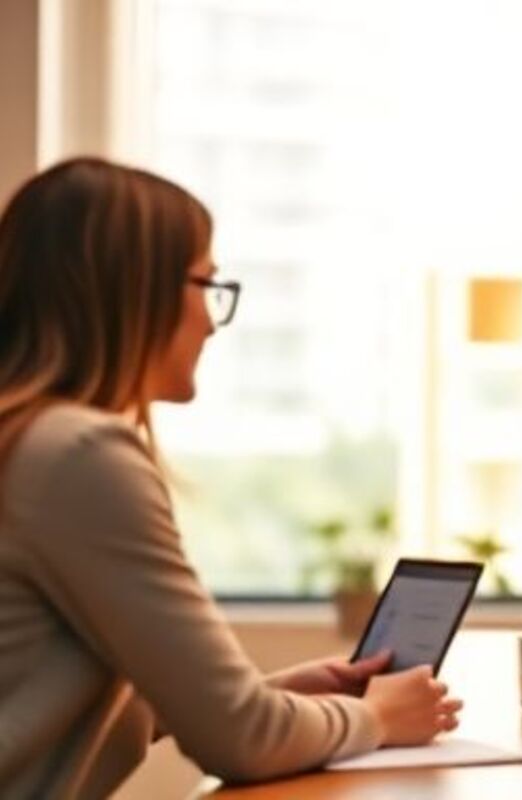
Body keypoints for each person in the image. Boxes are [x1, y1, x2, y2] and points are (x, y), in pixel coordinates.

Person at [0, 158, 461, 798]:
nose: (214, 321)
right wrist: (376, 718)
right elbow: (240, 742)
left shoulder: (29, 440)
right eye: (207, 284)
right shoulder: (78, 455)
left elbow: (38, 701)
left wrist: (271, 700)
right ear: (138, 288)